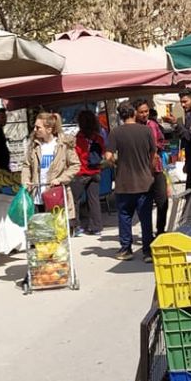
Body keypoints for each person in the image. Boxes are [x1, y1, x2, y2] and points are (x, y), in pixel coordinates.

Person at [106, 102, 157, 262]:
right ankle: (147, 252)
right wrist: (149, 169)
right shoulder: (146, 130)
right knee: (145, 218)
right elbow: (153, 154)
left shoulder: (115, 132)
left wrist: (116, 163)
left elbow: (108, 156)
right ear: (134, 113)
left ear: (120, 116)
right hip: (144, 181)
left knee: (125, 216)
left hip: (124, 183)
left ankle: (126, 250)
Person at [20, 112, 80, 210]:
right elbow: (26, 165)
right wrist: (26, 180)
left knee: (55, 219)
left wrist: (60, 179)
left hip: (56, 195)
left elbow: (75, 165)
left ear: (49, 129)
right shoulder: (34, 146)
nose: (35, 130)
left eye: (38, 127)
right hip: (37, 196)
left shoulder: (63, 145)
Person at [137, 101, 170, 236]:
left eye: (146, 111)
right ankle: (147, 233)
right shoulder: (135, 128)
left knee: (163, 201)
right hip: (142, 170)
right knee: (145, 204)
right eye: (141, 112)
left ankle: (160, 230)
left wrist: (157, 147)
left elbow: (161, 140)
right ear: (136, 113)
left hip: (157, 169)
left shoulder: (153, 125)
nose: (144, 114)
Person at [71, 110, 105, 237]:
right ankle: (96, 227)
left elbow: (76, 155)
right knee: (94, 200)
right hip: (95, 172)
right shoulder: (99, 138)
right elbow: (102, 153)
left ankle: (76, 226)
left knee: (74, 200)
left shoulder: (78, 139)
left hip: (81, 172)